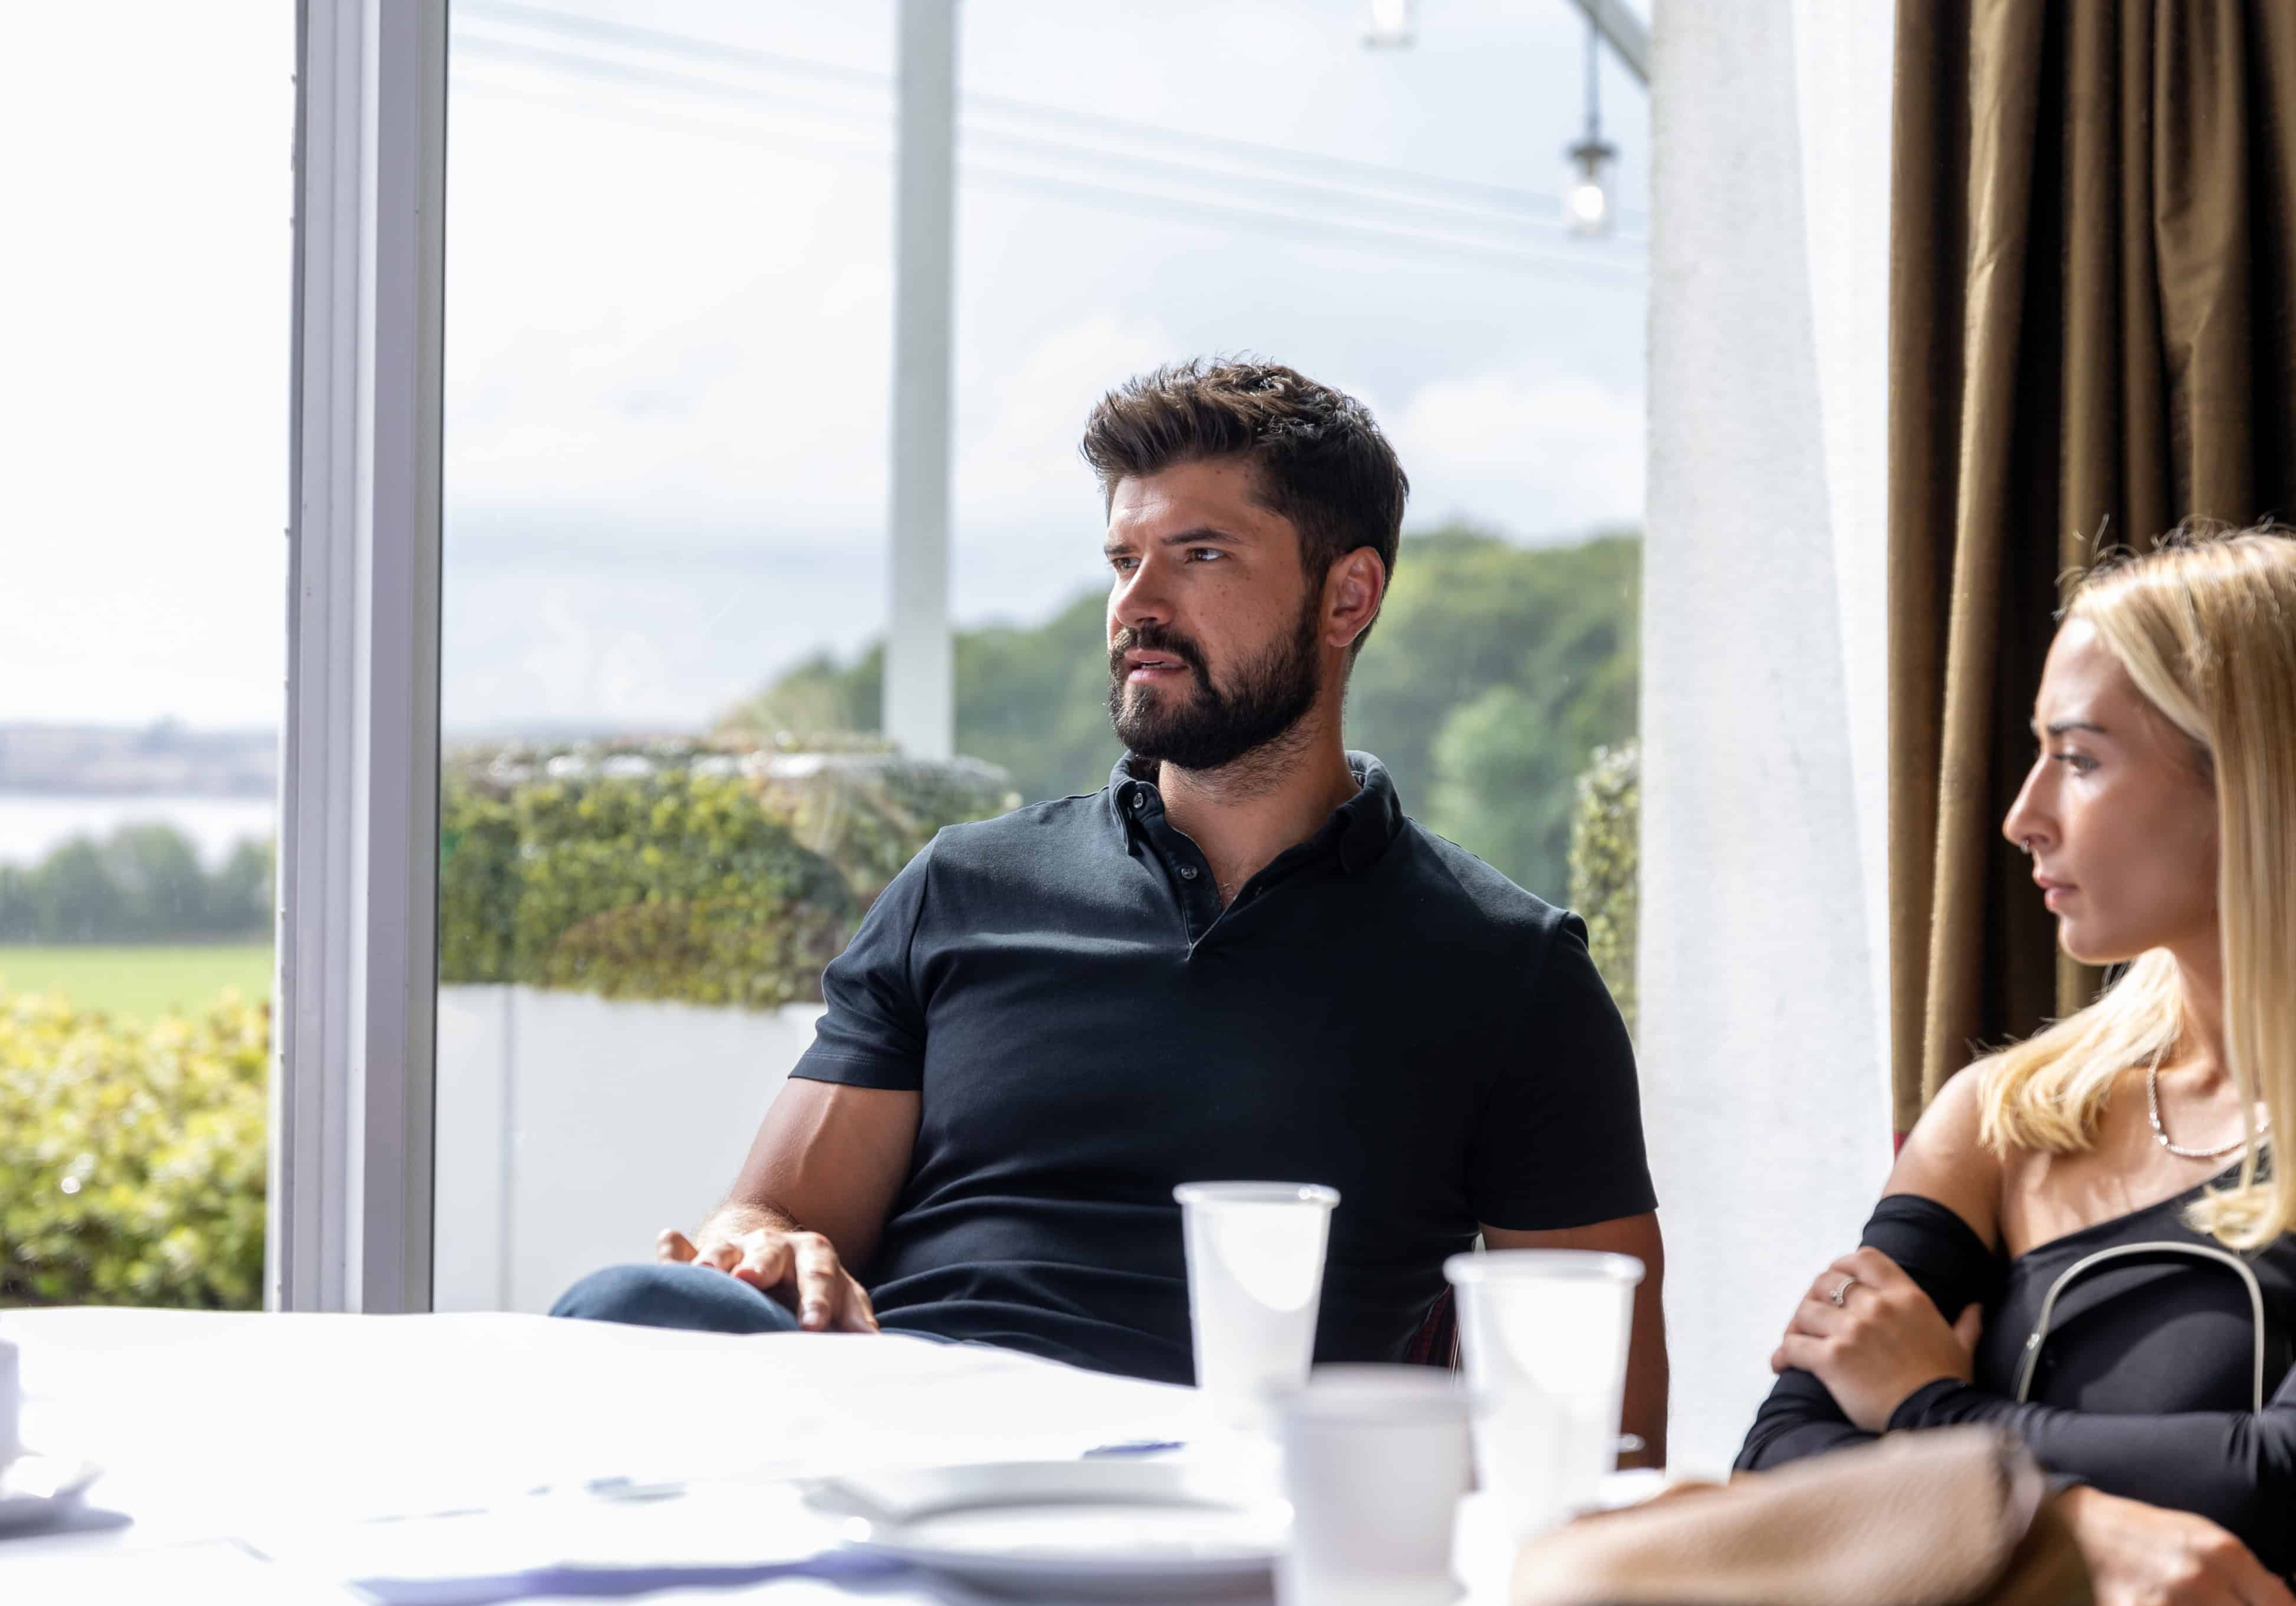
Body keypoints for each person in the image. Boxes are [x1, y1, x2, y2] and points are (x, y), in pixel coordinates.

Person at [553, 358, 1668, 1460]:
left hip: (1206, 1504)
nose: (1138, 604)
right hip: (888, 1450)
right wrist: (762, 1253)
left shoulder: (1507, 970)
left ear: (1348, 595)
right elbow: (769, 1218)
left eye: (1199, 555)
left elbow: (1605, 1432)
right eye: (1124, 560)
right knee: (634, 1308)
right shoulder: (962, 887)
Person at [1738, 529, 2296, 1595]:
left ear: (2253, 779)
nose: (2021, 817)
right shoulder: (2005, 1115)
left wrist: (1929, 1412)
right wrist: (2090, 1531)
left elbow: (2274, 1482)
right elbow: (1780, 1462)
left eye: (2080, 759)